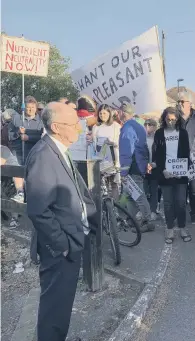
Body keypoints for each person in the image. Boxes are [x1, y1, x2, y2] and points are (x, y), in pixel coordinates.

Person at [25, 102, 97, 341]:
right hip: (60, 248)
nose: (79, 127)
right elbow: (38, 210)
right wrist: (63, 245)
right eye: (73, 123)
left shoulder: (59, 149)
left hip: (72, 240)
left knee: (62, 305)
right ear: (56, 127)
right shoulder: (43, 156)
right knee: (54, 310)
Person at [153, 107, 191, 244]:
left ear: (178, 119)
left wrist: (183, 170)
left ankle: (182, 227)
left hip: (180, 174)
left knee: (181, 202)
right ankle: (169, 228)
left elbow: (186, 154)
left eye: (173, 120)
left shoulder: (183, 133)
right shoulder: (158, 133)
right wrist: (162, 170)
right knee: (168, 203)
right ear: (164, 119)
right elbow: (156, 154)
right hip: (165, 174)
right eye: (168, 119)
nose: (170, 122)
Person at [119, 103, 155, 232]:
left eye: (118, 112)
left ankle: (148, 222)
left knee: (138, 196)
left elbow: (126, 151)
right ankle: (131, 220)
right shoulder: (139, 126)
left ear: (122, 112)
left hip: (133, 166)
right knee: (129, 195)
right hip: (139, 164)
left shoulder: (127, 128)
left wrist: (123, 171)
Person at [92, 104, 121, 200]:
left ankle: (114, 208)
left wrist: (111, 142)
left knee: (114, 184)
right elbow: (94, 143)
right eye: (100, 113)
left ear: (110, 114)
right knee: (102, 185)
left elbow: (119, 143)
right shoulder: (96, 127)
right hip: (100, 158)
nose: (102, 115)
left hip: (113, 159)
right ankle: (104, 209)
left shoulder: (116, 126)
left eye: (104, 113)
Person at [9, 96, 43, 165]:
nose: (31, 110)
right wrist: (18, 132)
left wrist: (28, 138)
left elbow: (43, 138)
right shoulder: (16, 119)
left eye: (33, 107)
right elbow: (9, 136)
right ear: (24, 108)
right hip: (18, 156)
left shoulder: (41, 122)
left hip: (34, 156)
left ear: (36, 108)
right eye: (28, 107)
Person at [177, 92, 195, 224]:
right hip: (179, 160)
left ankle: (194, 213)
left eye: (182, 102)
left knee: (194, 190)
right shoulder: (174, 120)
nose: (180, 104)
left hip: (194, 159)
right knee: (180, 190)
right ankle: (180, 216)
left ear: (190, 103)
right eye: (178, 102)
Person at [1, 145, 24, 228]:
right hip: (4, 176)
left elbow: (1, 162)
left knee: (14, 195)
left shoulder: (3, 149)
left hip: (14, 178)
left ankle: (15, 219)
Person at [144, 119, 158, 220]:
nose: (148, 127)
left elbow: (161, 153)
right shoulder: (142, 138)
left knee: (154, 190)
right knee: (144, 189)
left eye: (150, 125)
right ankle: (145, 210)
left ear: (154, 127)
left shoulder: (157, 139)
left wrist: (154, 164)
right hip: (144, 167)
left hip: (154, 167)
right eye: (146, 125)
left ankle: (153, 210)